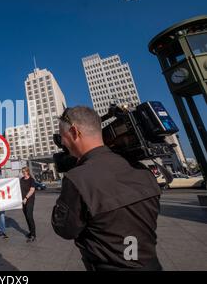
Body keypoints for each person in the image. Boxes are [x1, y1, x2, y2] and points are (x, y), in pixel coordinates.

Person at [51, 106, 162, 271]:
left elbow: (65, 229)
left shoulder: (78, 179)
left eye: (62, 137)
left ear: (74, 132)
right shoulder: (141, 170)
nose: (63, 144)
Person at [20, 167, 36, 243]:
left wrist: (26, 198)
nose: (23, 173)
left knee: (30, 216)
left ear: (28, 171)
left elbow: (32, 190)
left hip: (29, 200)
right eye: (22, 171)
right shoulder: (21, 180)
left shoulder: (31, 180)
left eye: (25, 171)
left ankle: (33, 235)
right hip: (23, 201)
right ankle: (30, 232)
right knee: (26, 217)